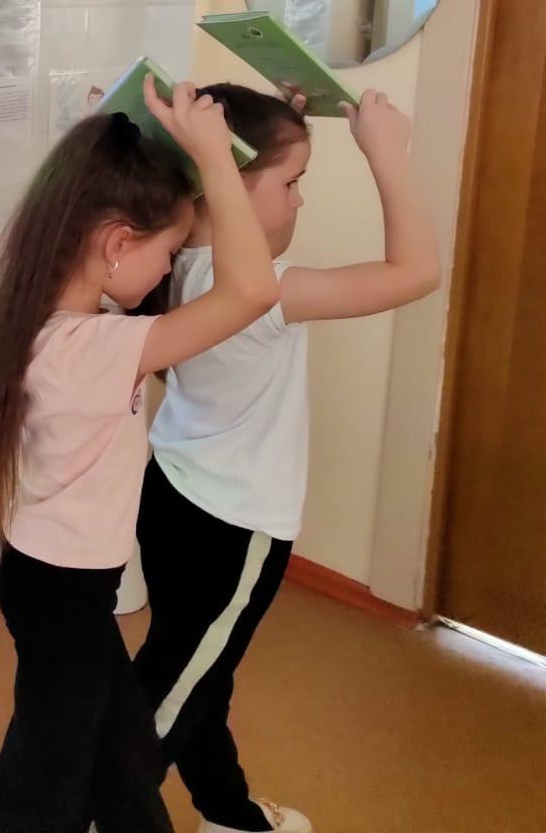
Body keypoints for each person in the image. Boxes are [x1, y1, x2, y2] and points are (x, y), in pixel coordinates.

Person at [0, 80, 280, 833]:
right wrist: (216, 159)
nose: (169, 271)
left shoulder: (43, 309)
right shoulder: (96, 346)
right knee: (49, 771)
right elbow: (252, 290)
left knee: (123, 750)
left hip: (43, 571)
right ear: (114, 243)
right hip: (62, 586)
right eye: (168, 252)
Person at [134, 86, 439, 833]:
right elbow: (416, 271)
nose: (301, 200)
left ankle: (230, 814)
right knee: (166, 696)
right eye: (293, 182)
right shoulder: (265, 294)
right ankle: (90, 809)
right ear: (229, 182)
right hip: (233, 528)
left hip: (170, 494)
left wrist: (262, 129)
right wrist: (386, 151)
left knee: (198, 673)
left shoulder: (165, 266)